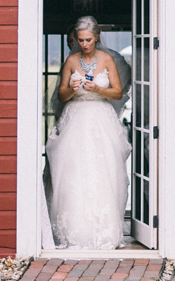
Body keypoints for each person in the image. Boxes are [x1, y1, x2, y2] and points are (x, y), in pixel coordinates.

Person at [45, 16, 131, 250]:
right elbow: (61, 95)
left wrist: (98, 88)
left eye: (88, 40)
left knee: (103, 171)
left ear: (97, 38)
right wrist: (72, 90)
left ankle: (103, 230)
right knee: (74, 172)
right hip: (76, 117)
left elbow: (117, 93)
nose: (83, 44)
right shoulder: (71, 60)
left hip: (100, 118)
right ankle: (76, 232)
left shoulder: (107, 60)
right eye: (80, 40)